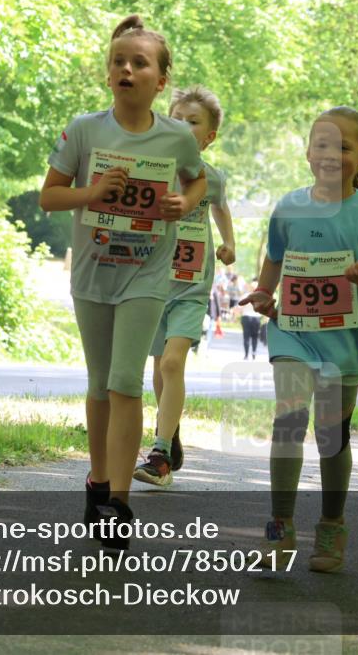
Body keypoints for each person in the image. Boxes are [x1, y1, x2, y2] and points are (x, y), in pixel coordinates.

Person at [39, 14, 206, 550]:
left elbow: (198, 177)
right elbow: (50, 195)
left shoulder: (176, 137)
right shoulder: (85, 129)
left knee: (125, 382)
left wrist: (187, 202)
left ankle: (118, 501)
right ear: (107, 74)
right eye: (118, 62)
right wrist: (93, 193)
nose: (127, 69)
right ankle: (97, 478)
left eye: (140, 63)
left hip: (147, 275)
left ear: (160, 81)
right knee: (97, 386)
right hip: (92, 273)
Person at [239, 106, 358, 573]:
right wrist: (265, 292)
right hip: (291, 332)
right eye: (322, 144)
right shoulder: (289, 207)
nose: (331, 155)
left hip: (342, 342)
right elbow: (275, 255)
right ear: (309, 153)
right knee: (288, 421)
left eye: (344, 147)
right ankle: (279, 532)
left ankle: (331, 527)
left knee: (331, 437)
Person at [134, 86, 236, 488]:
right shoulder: (153, 168)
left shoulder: (211, 178)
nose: (184, 127)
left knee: (174, 362)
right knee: (159, 366)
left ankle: (159, 454)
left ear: (209, 137)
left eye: (193, 122)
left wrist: (229, 243)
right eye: (177, 119)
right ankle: (170, 429)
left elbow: (221, 206)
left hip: (192, 285)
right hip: (152, 281)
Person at [241, 278, 263, 359]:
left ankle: (246, 354)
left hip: (246, 317)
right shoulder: (260, 297)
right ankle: (254, 352)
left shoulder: (245, 295)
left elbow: (239, 307)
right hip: (256, 318)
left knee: (246, 336)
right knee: (255, 336)